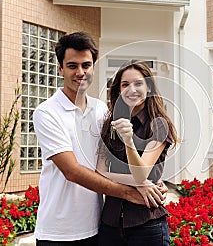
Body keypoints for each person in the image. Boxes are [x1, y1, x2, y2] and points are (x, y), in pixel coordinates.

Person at [33, 32, 166, 246]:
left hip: (97, 227)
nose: (80, 72)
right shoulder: (47, 112)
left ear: (93, 67)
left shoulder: (102, 110)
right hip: (58, 232)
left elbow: (112, 163)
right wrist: (132, 191)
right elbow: (72, 171)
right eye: (72, 66)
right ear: (60, 68)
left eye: (86, 65)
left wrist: (149, 181)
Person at [97, 60, 179, 246]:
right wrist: (140, 184)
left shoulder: (159, 125)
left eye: (138, 83)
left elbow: (140, 172)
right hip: (110, 224)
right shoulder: (110, 124)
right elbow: (100, 172)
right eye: (125, 84)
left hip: (147, 224)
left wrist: (128, 140)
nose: (131, 89)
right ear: (118, 90)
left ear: (149, 87)